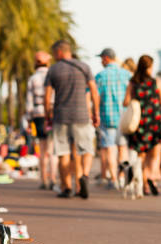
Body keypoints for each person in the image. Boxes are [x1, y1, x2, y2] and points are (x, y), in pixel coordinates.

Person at [44, 40, 100, 199]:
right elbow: (94, 93)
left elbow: (47, 97)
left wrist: (48, 115)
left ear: (60, 52)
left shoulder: (53, 69)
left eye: (55, 53)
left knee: (63, 153)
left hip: (61, 116)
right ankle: (81, 180)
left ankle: (66, 187)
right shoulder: (84, 67)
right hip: (82, 116)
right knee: (81, 151)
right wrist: (96, 113)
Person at [123, 55, 161, 196]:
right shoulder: (156, 82)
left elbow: (125, 102)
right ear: (150, 67)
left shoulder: (133, 83)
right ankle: (151, 177)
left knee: (141, 154)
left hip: (140, 122)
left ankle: (144, 183)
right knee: (155, 152)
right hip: (155, 119)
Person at [95, 48, 132, 189]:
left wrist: (95, 114)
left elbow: (95, 97)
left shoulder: (100, 76)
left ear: (105, 58)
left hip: (107, 117)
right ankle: (123, 177)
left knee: (110, 149)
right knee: (123, 149)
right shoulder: (126, 74)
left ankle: (114, 179)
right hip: (124, 117)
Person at [26, 51, 56, 190]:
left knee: (42, 149)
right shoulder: (53, 75)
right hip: (53, 113)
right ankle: (53, 178)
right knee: (53, 149)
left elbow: (29, 101)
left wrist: (28, 118)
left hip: (38, 115)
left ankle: (44, 179)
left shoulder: (33, 78)